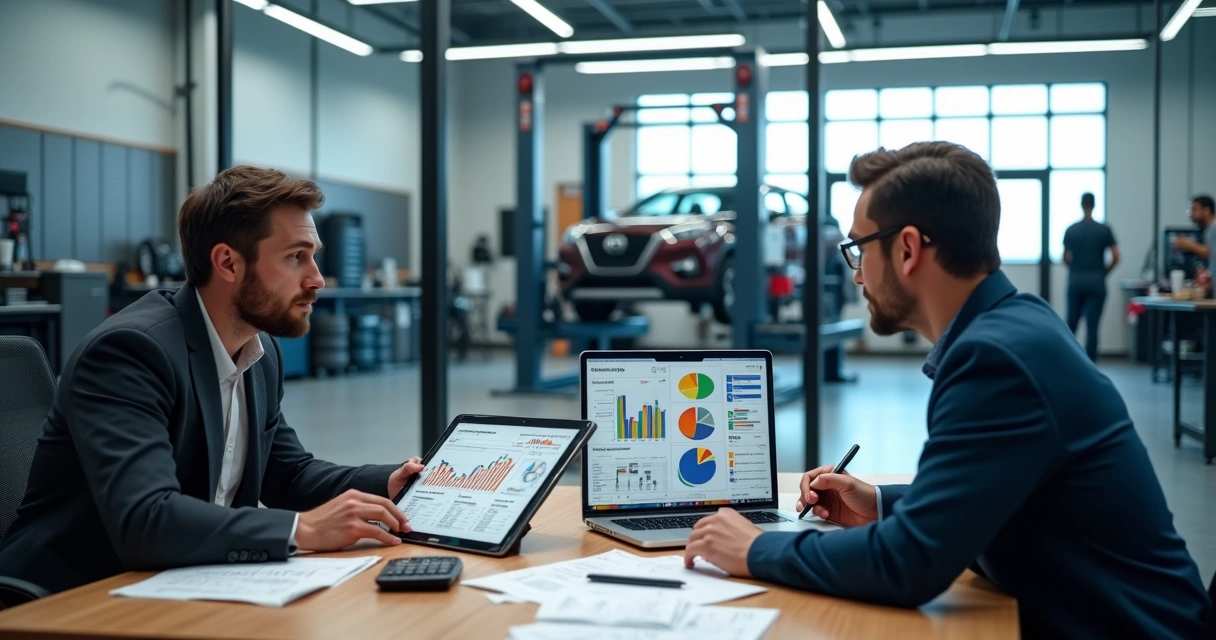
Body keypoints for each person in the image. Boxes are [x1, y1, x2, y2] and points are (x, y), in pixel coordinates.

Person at [681, 142, 1209, 639]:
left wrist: (755, 549)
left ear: (908, 249)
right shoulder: (1019, 324)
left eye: (859, 249)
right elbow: (996, 490)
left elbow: (908, 565)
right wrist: (883, 503)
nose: (858, 276)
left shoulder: (996, 359)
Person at [0, 166, 423, 594]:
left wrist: (387, 484)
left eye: (313, 256)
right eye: (296, 256)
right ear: (227, 263)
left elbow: (288, 474)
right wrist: (302, 528)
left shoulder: (259, 351)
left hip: (178, 584)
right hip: (69, 597)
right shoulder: (130, 352)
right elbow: (145, 518)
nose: (316, 278)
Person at [1062, 192, 1119, 362]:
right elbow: (1116, 256)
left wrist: (1075, 270)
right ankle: (1090, 365)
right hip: (1096, 282)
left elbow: (1065, 257)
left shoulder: (1071, 229)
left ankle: (1067, 361)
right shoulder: (1104, 229)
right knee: (1092, 327)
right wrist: (1103, 273)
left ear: (1081, 205)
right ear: (1094, 205)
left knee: (1071, 325)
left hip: (1076, 281)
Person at [1170, 194, 1216, 274]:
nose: (1191, 214)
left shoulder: (1214, 227)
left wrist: (1190, 245)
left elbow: (1212, 254)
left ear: (1206, 210)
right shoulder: (1208, 230)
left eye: (1194, 209)